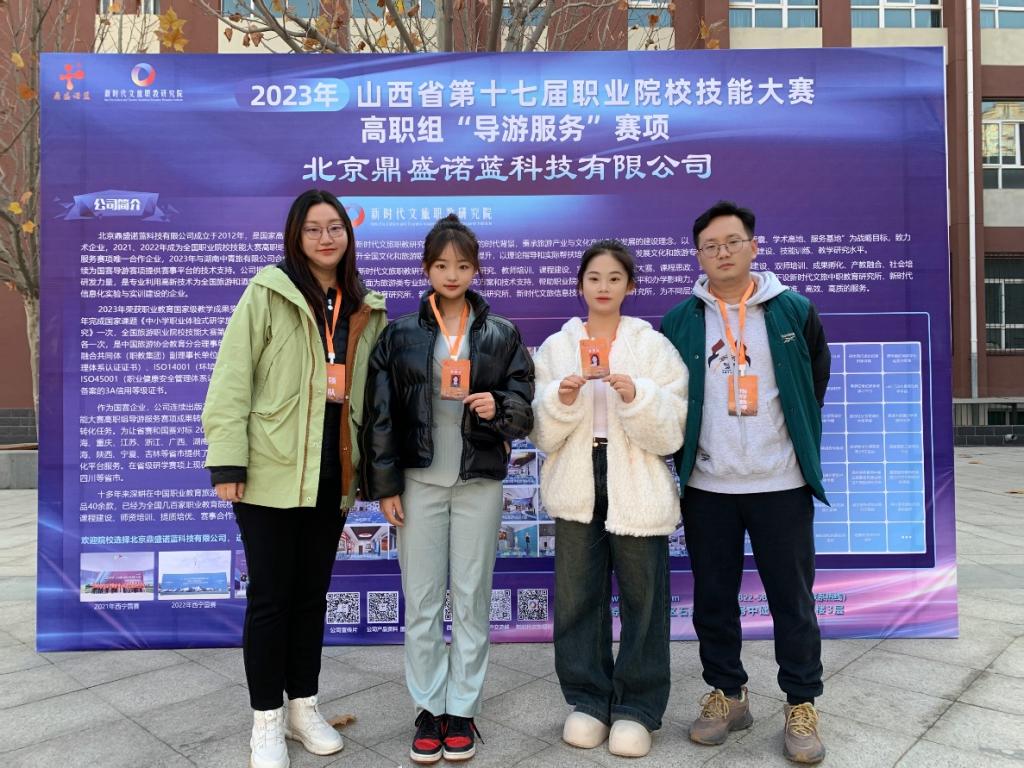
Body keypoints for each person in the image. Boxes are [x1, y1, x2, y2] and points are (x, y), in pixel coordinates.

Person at [202, 189, 387, 768]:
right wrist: (227, 461)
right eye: (313, 228)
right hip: (269, 470)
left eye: (335, 227)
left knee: (310, 597)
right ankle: (266, 721)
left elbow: (371, 398)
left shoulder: (365, 307)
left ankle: (304, 707)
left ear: (348, 236)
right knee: (271, 598)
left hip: (332, 473)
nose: (326, 238)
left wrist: (371, 472)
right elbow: (232, 377)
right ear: (295, 236)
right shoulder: (269, 292)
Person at [660, 201, 830, 764]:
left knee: (792, 599)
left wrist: (782, 443)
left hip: (781, 483)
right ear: (698, 256)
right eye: (711, 246)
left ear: (754, 246)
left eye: (733, 242)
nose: (723, 252)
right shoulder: (681, 320)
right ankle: (727, 695)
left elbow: (814, 381)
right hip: (709, 486)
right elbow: (671, 396)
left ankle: (801, 702)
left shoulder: (793, 311)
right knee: (713, 599)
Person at [360, 214, 534, 764]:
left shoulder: (500, 332)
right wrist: (385, 486)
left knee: (472, 597)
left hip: (478, 479)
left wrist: (497, 405)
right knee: (422, 600)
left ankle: (462, 708)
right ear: (426, 269)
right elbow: (381, 416)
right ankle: (429, 707)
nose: (451, 274)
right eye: (441, 265)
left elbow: (524, 405)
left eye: (461, 265)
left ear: (475, 269)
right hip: (419, 482)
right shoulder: (401, 334)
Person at [531, 239, 688, 758]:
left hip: (636, 482)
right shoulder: (557, 347)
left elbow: (672, 431)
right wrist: (561, 400)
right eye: (594, 278)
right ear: (580, 284)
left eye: (614, 278)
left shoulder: (652, 346)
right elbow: (541, 434)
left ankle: (638, 707)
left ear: (630, 285)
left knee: (645, 599)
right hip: (577, 481)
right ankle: (588, 699)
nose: (603, 287)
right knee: (578, 597)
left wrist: (638, 396)